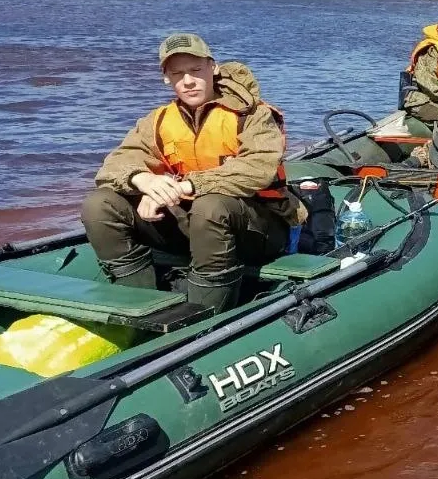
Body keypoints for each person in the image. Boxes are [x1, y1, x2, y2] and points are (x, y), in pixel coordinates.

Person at [81, 33, 306, 314]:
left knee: (211, 206)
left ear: (213, 67)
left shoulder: (253, 115)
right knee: (99, 204)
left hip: (257, 227)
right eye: (177, 73)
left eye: (196, 70)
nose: (188, 81)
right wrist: (145, 180)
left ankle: (203, 316)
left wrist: (183, 186)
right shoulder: (158, 120)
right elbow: (115, 164)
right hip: (192, 222)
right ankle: (139, 305)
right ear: (166, 78)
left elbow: (256, 170)